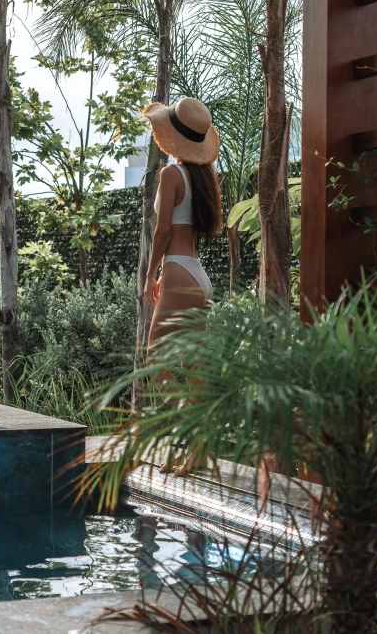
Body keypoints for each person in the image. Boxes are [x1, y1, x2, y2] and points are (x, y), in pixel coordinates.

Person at [142, 97, 223, 475]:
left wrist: (150, 273)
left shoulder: (171, 175)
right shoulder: (202, 177)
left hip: (176, 271)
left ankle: (194, 439)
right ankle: (200, 448)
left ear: (171, 136)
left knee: (155, 359)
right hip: (196, 274)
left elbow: (162, 232)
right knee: (192, 365)